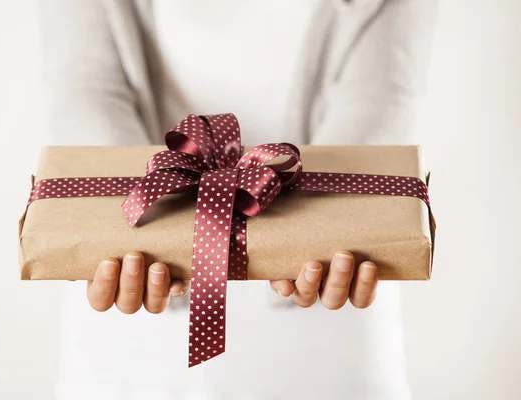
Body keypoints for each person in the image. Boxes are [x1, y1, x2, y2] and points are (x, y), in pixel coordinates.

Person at [42, 1, 436, 399]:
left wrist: (318, 234)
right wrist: (130, 228)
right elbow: (87, 91)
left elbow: (378, 102)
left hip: (329, 323)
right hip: (127, 321)